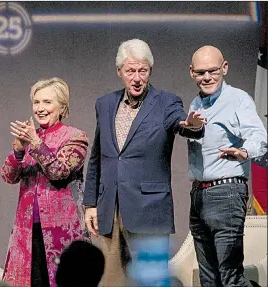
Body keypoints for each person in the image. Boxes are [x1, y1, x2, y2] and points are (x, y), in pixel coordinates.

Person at [83, 38, 206, 286]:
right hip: (110, 210)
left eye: (143, 70)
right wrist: (90, 203)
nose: (137, 77)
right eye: (130, 71)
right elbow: (98, 157)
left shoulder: (166, 102)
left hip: (149, 210)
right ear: (120, 72)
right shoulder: (105, 104)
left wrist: (190, 126)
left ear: (150, 70)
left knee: (150, 283)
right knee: (111, 281)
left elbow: (180, 123)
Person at [187, 45, 267, 287]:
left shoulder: (238, 99)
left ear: (225, 68)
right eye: (201, 72)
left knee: (230, 277)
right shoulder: (195, 104)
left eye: (212, 70)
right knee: (208, 279)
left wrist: (243, 151)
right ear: (192, 73)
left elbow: (260, 138)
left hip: (227, 193)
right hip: (199, 195)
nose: (207, 77)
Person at [1, 78, 90, 287]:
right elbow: (8, 176)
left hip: (62, 232)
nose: (40, 108)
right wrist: (18, 151)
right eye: (37, 102)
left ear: (62, 107)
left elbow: (59, 171)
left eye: (47, 102)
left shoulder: (75, 137)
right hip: (27, 233)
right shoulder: (30, 137)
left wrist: (35, 143)